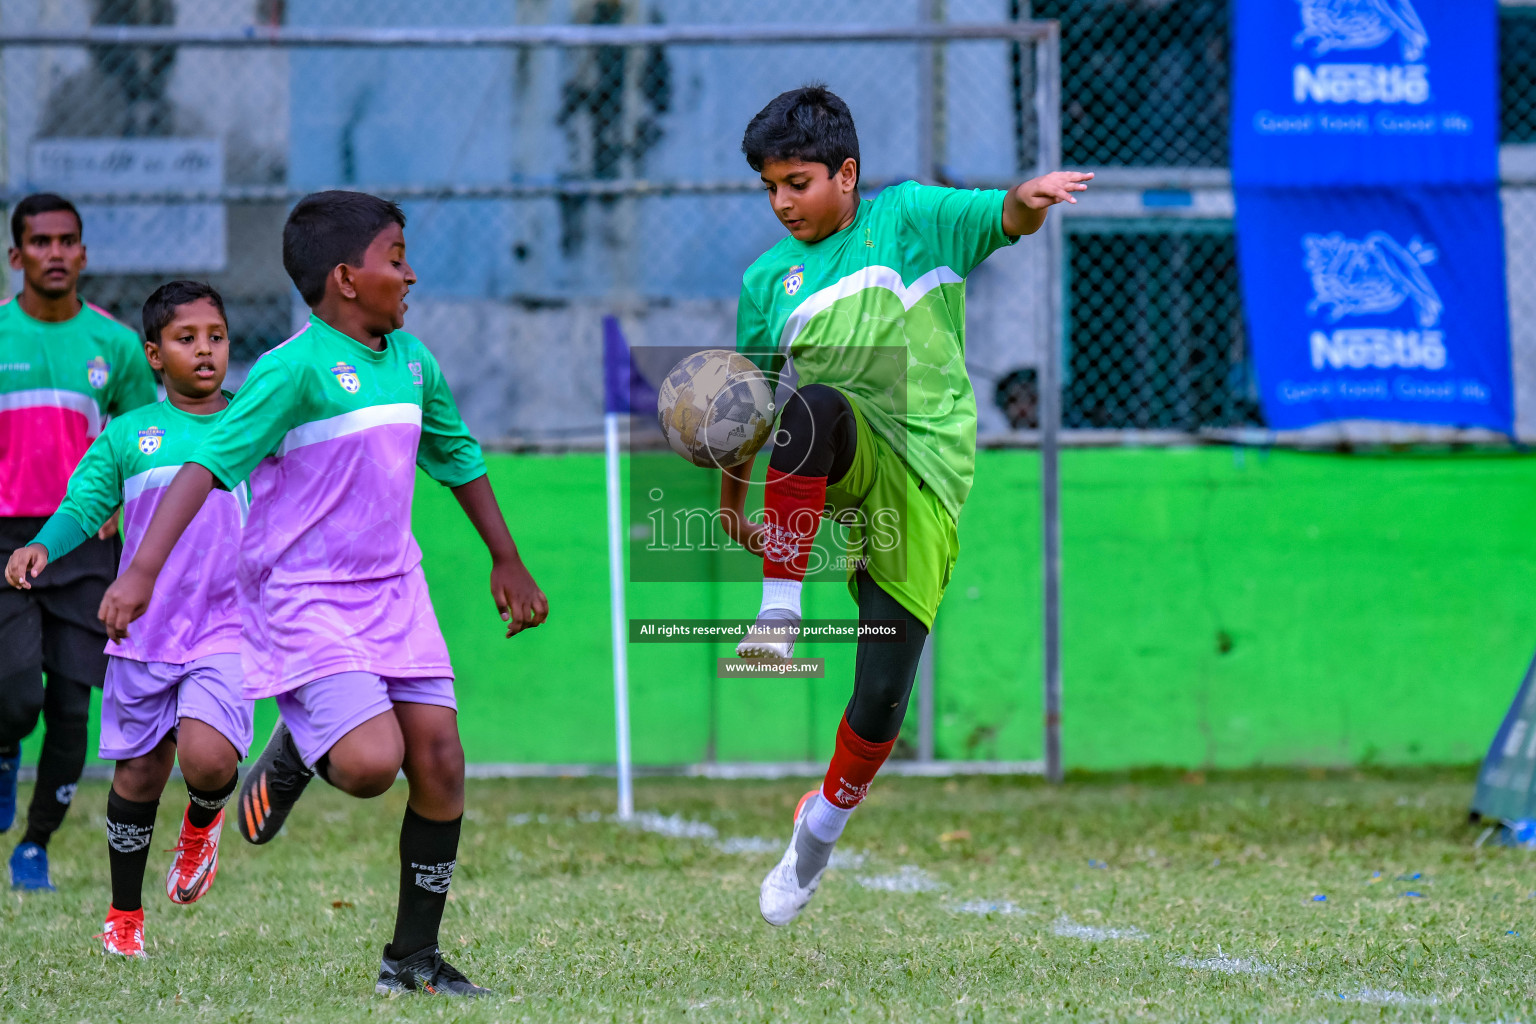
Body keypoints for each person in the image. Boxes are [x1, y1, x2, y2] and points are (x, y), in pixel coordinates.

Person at [98, 191, 549, 996]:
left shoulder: (413, 361)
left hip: (395, 589)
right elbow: (205, 467)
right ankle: (302, 748)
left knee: (441, 761)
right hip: (305, 598)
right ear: (346, 277)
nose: (410, 274)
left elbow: (457, 455)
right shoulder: (289, 371)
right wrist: (140, 572)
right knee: (375, 765)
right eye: (396, 257)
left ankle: (411, 959)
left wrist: (505, 559)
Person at [719, 85, 1091, 925]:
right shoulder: (765, 282)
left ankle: (818, 829)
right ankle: (778, 610)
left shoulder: (910, 218)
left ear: (847, 174)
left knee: (882, 696)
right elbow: (741, 405)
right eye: (770, 186)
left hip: (924, 468)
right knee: (811, 408)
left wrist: (1026, 202)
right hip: (841, 448)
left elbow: (1001, 214)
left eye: (799, 182)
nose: (783, 202)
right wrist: (733, 501)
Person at [7, 280, 251, 956]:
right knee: (139, 775)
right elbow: (85, 506)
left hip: (228, 629)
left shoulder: (255, 426)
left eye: (216, 336)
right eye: (185, 339)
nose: (205, 350)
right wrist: (41, 546)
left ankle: (203, 823)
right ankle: (124, 917)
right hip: (143, 633)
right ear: (152, 354)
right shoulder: (128, 435)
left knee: (206, 759)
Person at [0, 193, 157, 890]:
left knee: (70, 706)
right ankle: (5, 748)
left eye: (68, 241)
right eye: (41, 242)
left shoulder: (117, 346)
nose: (55, 253)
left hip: (87, 547)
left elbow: (145, 442)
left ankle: (35, 845)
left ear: (84, 254)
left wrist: (119, 502)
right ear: (17, 256)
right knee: (14, 692)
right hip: (6, 540)